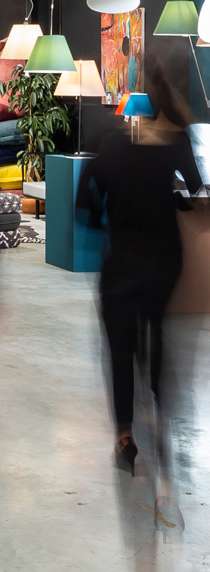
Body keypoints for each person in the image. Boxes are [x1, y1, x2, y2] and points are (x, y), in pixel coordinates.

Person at [76, 58, 203, 476]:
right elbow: (194, 188)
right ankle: (160, 414)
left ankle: (126, 438)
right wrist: (173, 200)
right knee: (156, 331)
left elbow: (84, 200)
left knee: (120, 349)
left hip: (123, 260)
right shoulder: (177, 142)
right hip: (164, 257)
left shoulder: (112, 144)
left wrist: (103, 218)